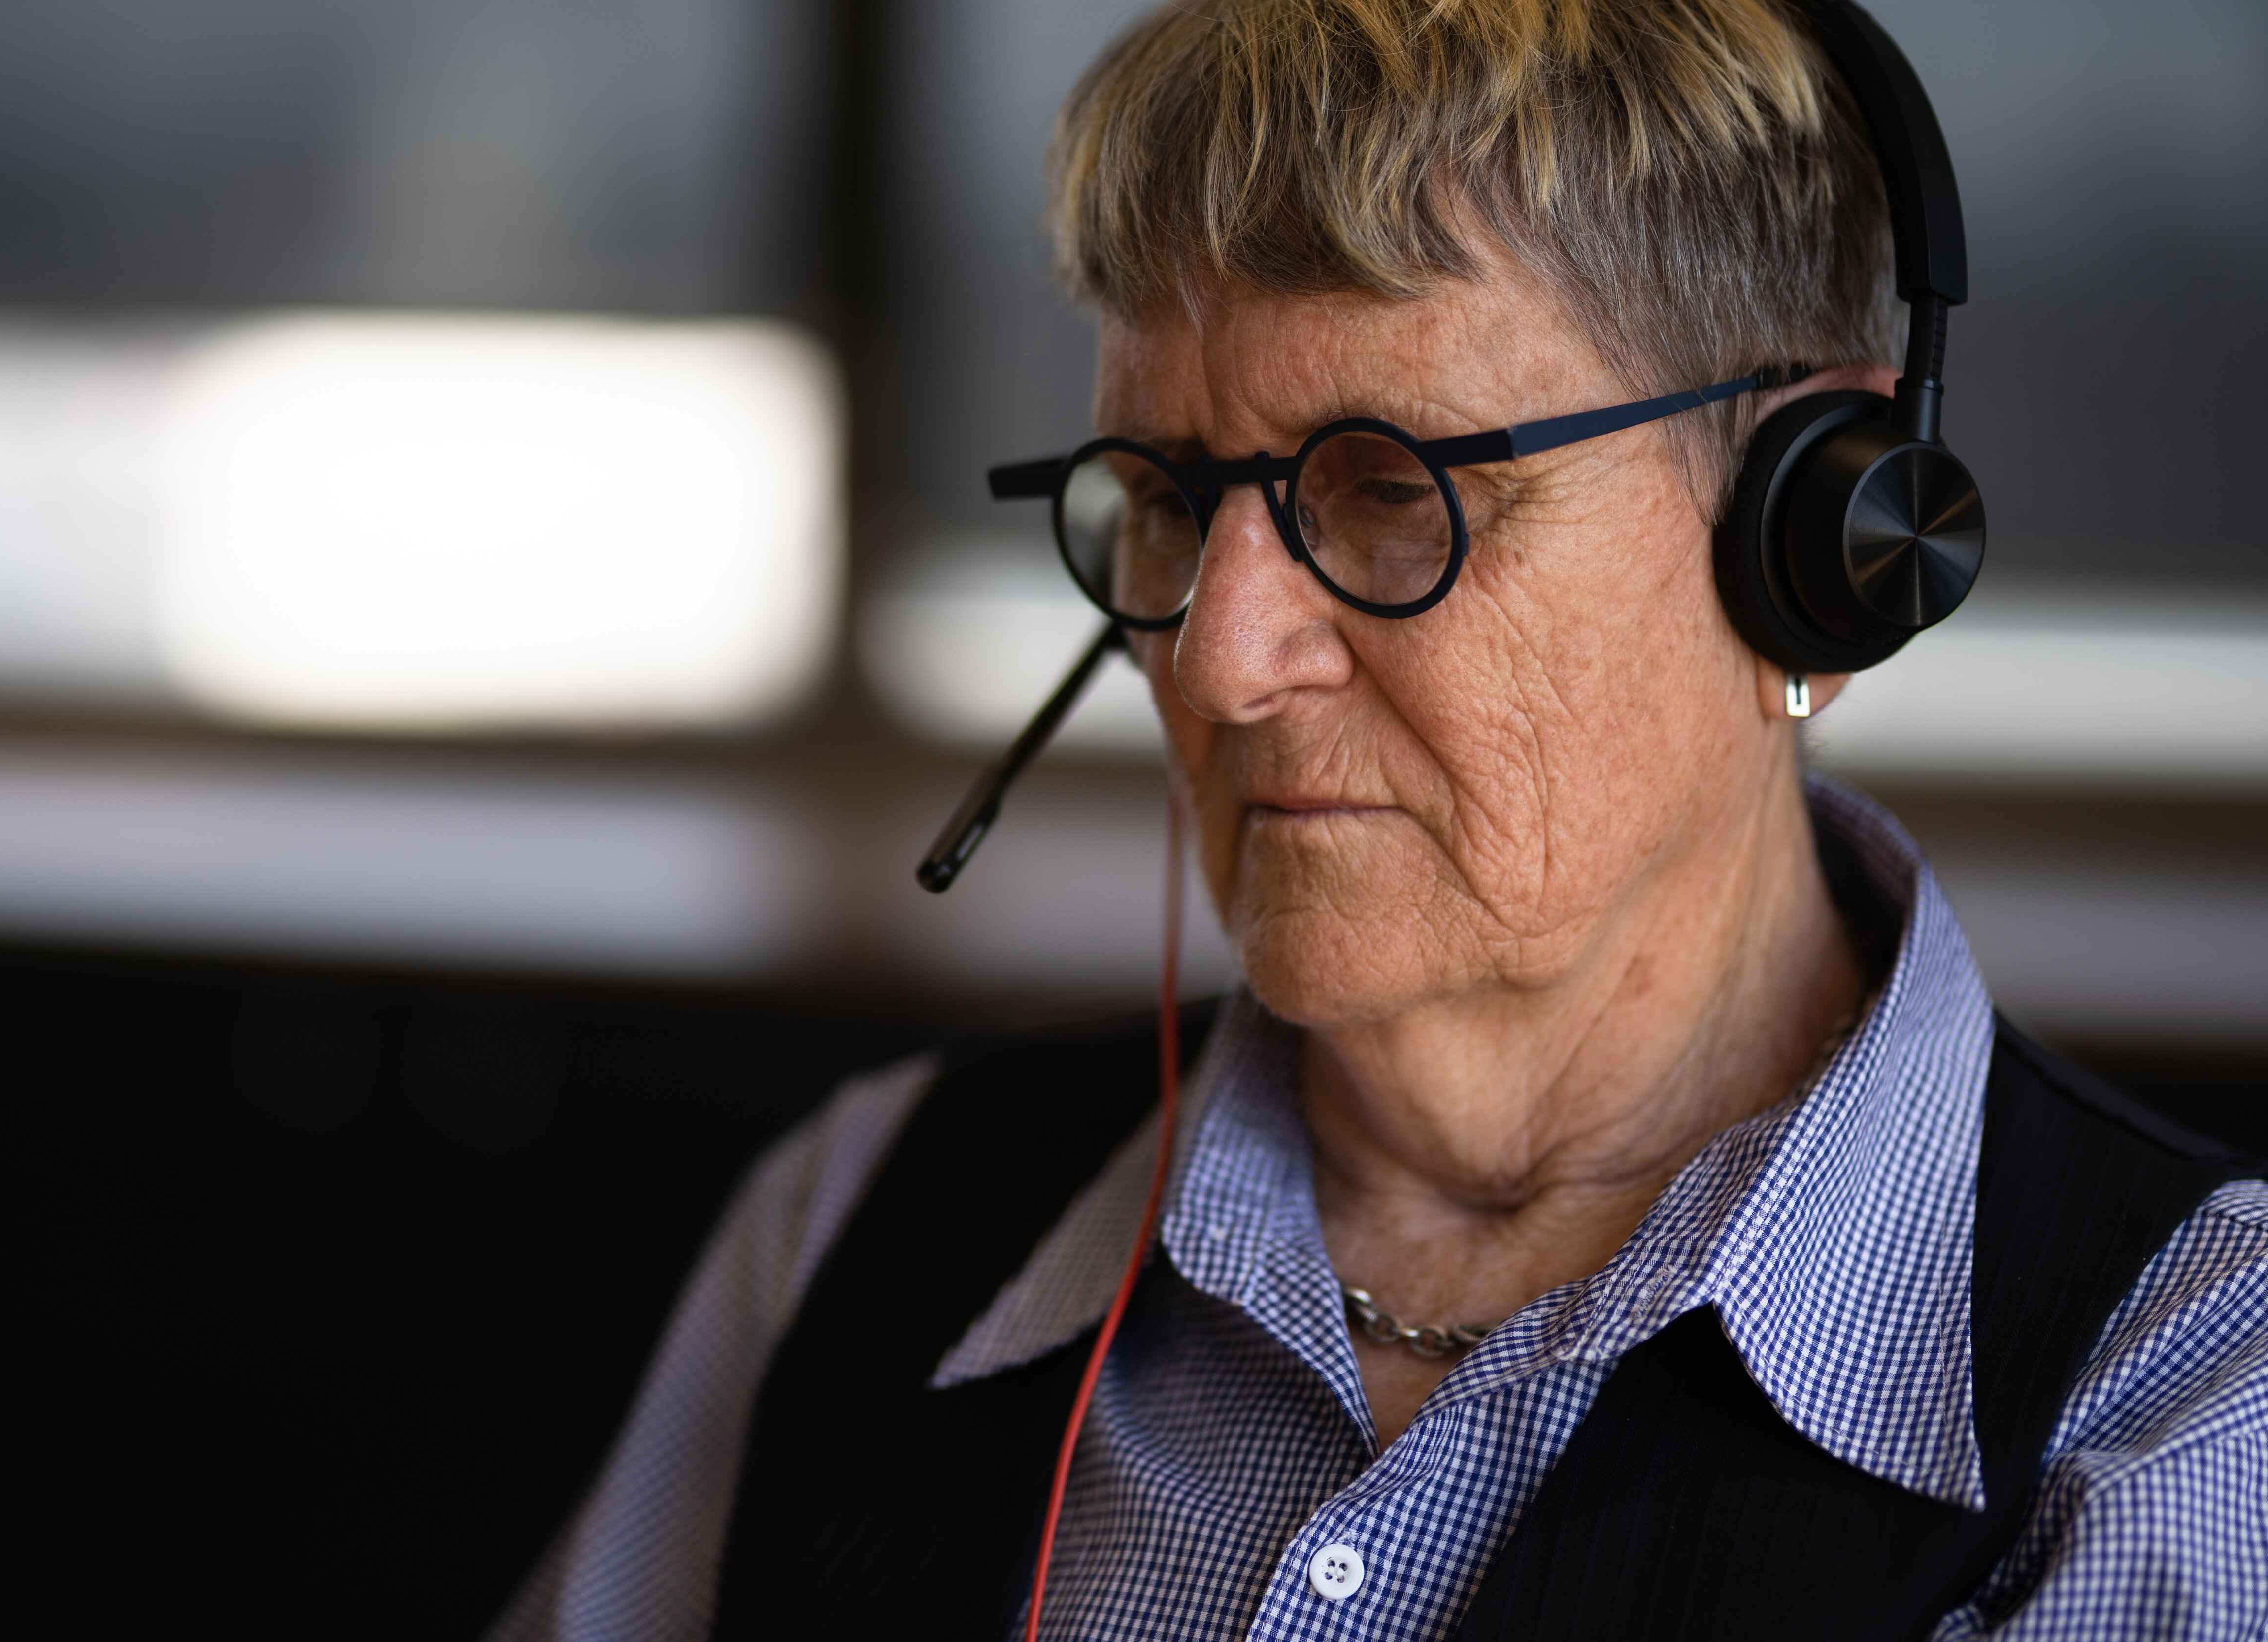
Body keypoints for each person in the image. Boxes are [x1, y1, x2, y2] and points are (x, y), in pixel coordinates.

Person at [493, 1, 2265, 1637]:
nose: (1219, 660)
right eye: (1168, 499)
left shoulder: (2185, 1409)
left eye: (1393, 491)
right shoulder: (852, 1223)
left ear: (1824, 545)